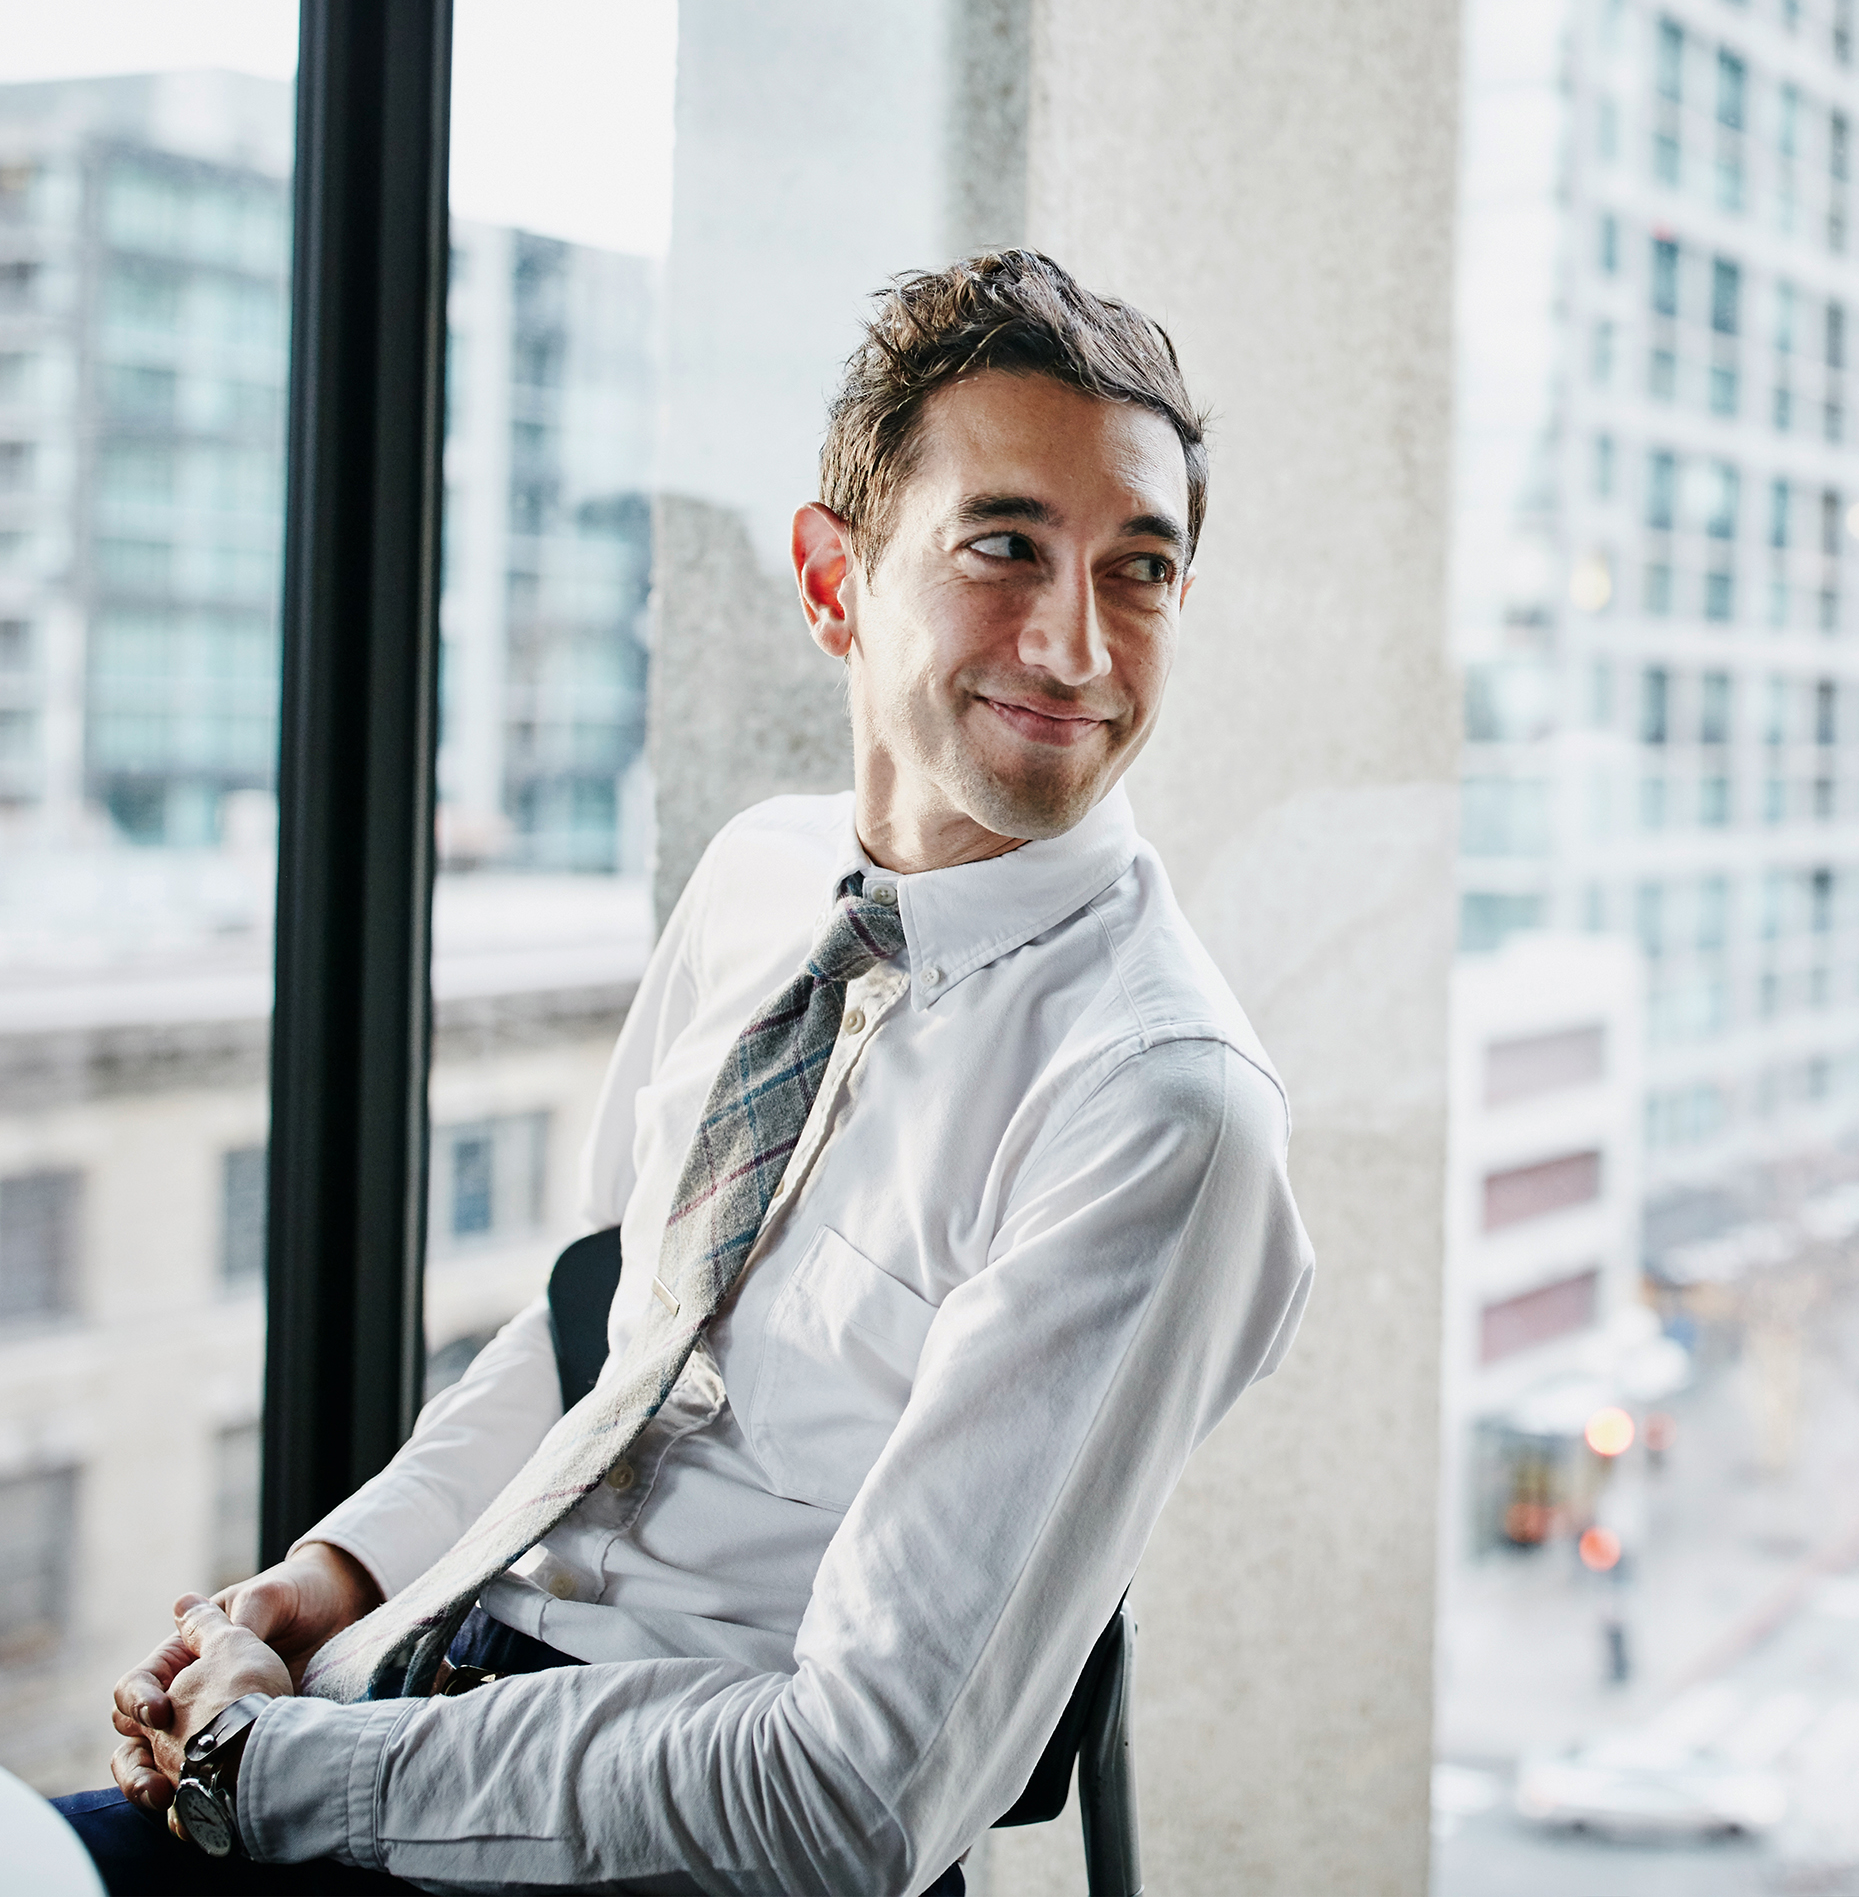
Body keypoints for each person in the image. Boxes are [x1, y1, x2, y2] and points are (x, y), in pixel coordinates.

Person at [60, 249, 1314, 1896]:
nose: (1079, 646)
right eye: (1006, 545)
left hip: (684, 1846)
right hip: (412, 1701)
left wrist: (268, 1765)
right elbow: (609, 1334)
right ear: (832, 581)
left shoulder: (1158, 1107)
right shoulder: (758, 884)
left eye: (1140, 569)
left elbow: (852, 1798)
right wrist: (331, 1575)